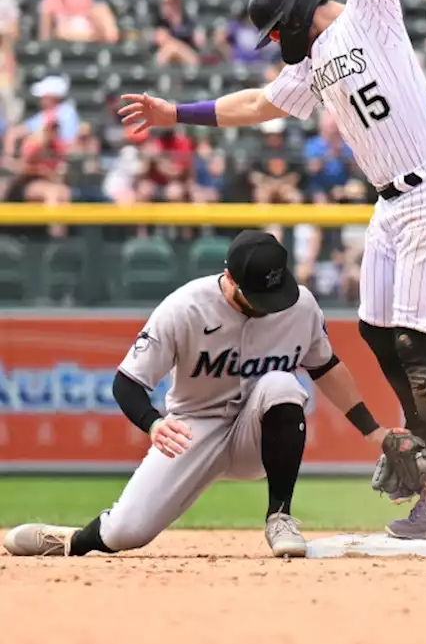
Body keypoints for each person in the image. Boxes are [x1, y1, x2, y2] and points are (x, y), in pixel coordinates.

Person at [118, 0, 426, 539]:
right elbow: (256, 104)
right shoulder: (312, 63)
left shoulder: (370, 15)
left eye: (278, 29)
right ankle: (424, 438)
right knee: (377, 332)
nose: (279, 42)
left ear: (295, 13)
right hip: (390, 207)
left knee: (414, 344)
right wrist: (176, 113)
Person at [1, 231, 394, 559]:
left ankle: (280, 516)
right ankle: (71, 540)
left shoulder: (300, 305)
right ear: (230, 279)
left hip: (255, 434)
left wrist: (373, 431)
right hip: (193, 429)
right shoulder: (184, 307)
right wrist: (153, 423)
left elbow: (325, 366)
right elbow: (127, 382)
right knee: (125, 533)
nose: (268, 308)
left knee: (282, 384)